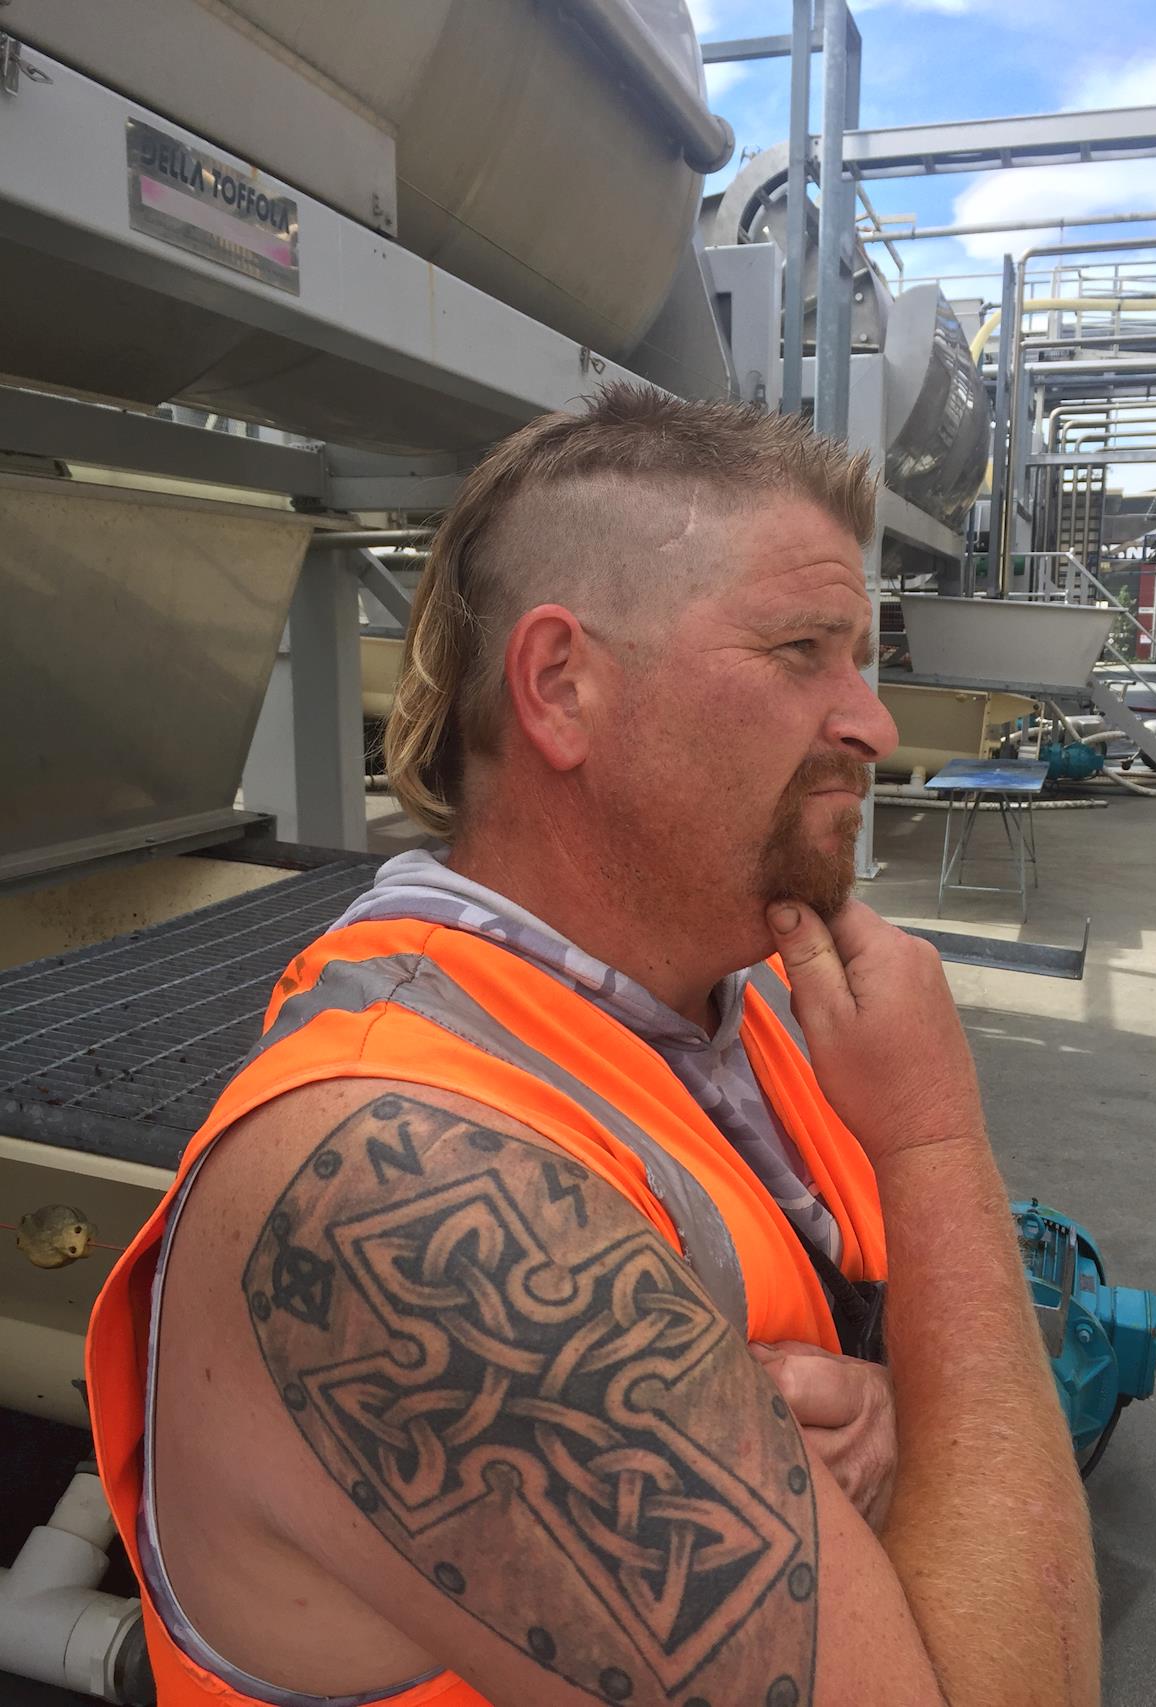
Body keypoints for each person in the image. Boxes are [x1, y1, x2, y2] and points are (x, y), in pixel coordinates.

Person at [87, 385, 1099, 1707]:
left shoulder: (741, 1011)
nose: (874, 724)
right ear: (562, 686)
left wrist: (904, 1429)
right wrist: (935, 1143)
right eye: (803, 650)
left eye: (862, 658)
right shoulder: (400, 1187)